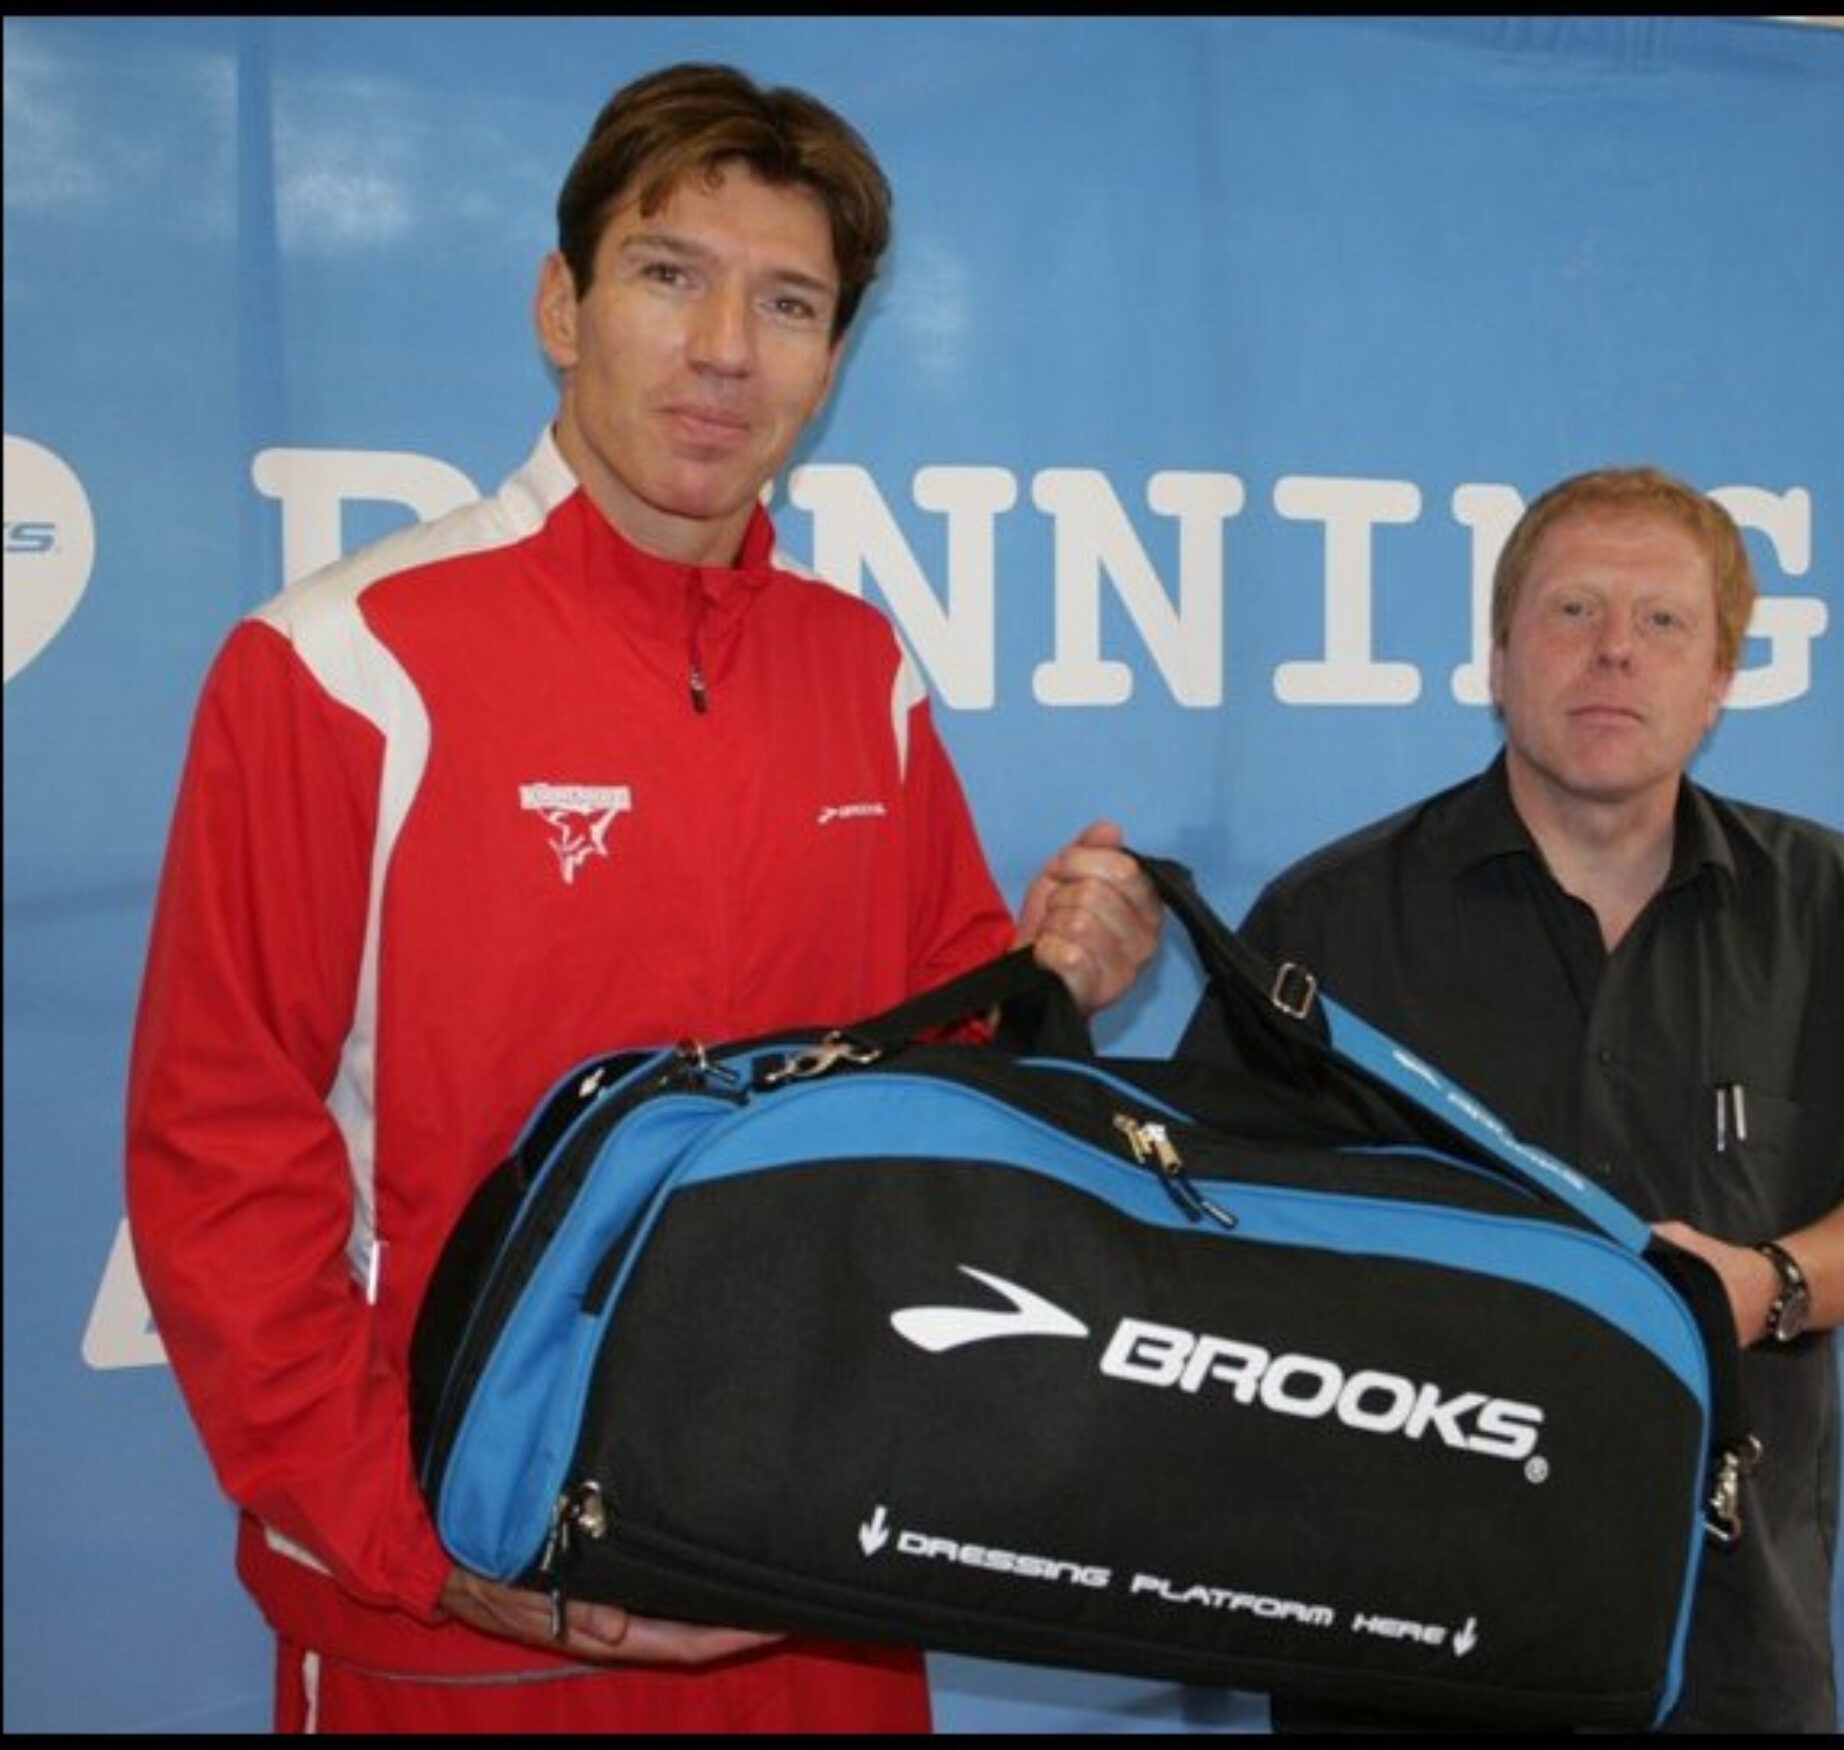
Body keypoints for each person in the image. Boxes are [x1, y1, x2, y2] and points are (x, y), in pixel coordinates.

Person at [124, 63, 1162, 1733]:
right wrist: (420, 1539)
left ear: (832, 361)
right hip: (461, 1613)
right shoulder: (338, 663)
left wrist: (1047, 978)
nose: (727, 348)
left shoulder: (860, 667)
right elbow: (219, 1156)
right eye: (672, 274)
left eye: (790, 303)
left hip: (812, 1584)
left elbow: (929, 1079)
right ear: (564, 304)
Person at [1181, 466, 1844, 1732]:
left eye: (1663, 620)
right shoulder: (1325, 924)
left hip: (1726, 1634)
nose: (1615, 648)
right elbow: (1205, 1223)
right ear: (1498, 659)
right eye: (1571, 610)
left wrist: (1765, 1283)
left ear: (1720, 679)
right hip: (1400, 1627)